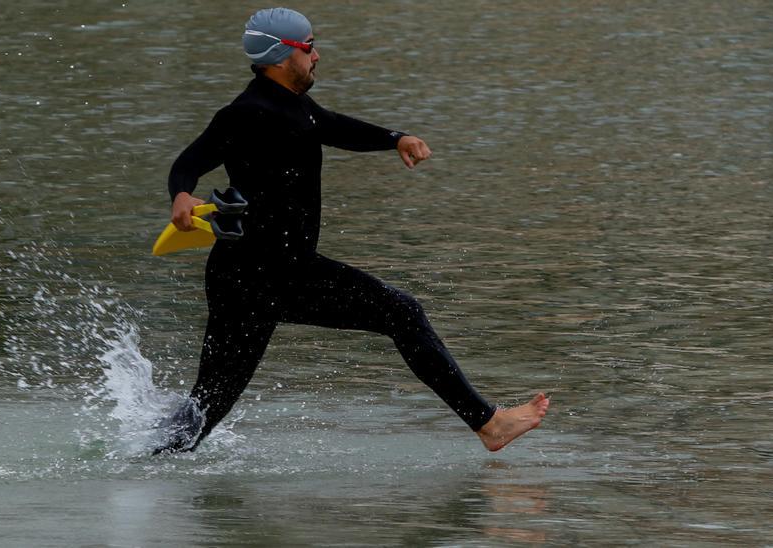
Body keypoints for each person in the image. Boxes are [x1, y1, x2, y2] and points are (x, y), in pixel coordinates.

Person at [156, 7, 549, 454]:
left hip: (246, 277)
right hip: (270, 271)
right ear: (283, 55)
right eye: (309, 48)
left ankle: (146, 465)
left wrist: (394, 138)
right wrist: (181, 195)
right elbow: (189, 161)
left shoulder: (294, 106)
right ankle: (488, 424)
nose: (317, 55)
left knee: (208, 404)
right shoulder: (246, 113)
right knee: (400, 312)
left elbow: (333, 127)